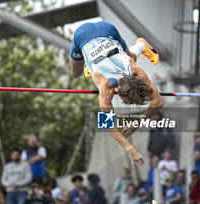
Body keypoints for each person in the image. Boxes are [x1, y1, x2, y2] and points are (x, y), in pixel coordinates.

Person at [69, 21, 163, 167]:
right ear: (119, 93)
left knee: (130, 56)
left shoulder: (135, 71)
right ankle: (88, 64)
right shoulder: (105, 86)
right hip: (83, 34)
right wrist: (130, 148)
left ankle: (141, 45)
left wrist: (139, 121)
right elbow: (108, 124)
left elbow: (158, 102)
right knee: (76, 73)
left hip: (109, 30)